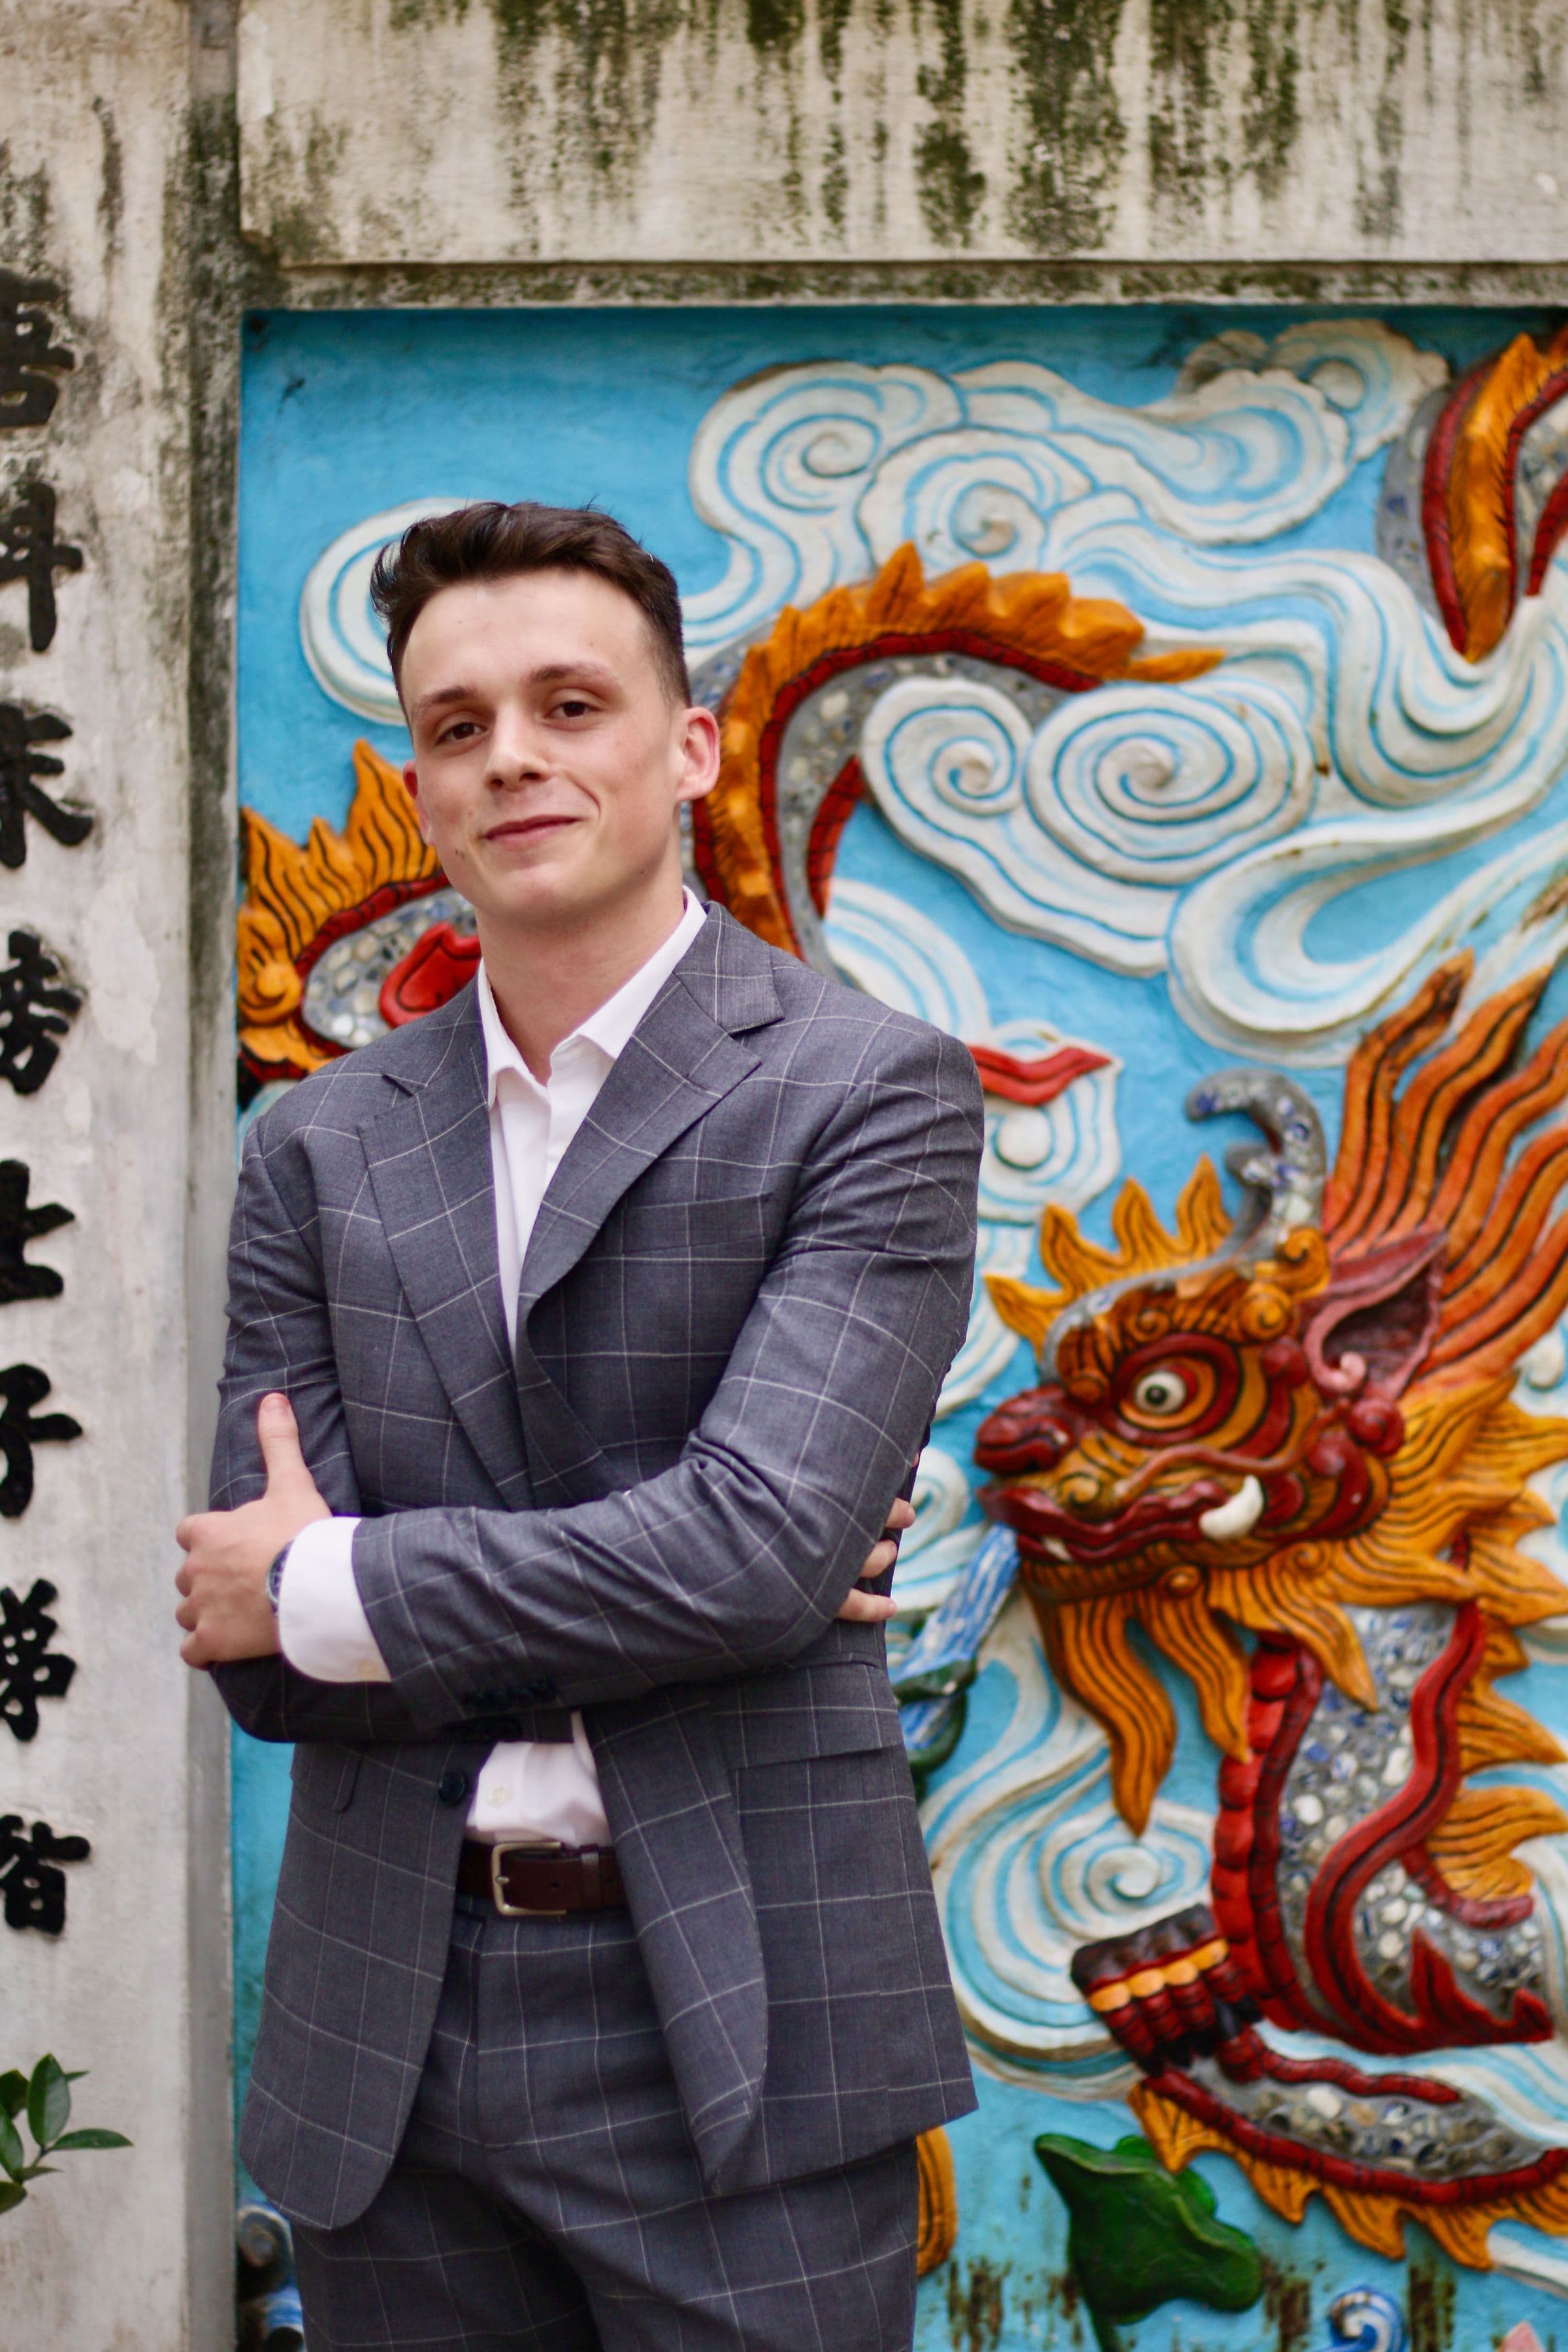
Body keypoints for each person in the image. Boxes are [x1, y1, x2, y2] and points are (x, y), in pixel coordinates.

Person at [175, 500, 983, 2351]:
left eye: (569, 705)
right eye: (458, 727)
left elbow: (753, 1554)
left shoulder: (866, 1094)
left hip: (739, 2017)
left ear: (685, 748)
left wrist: (338, 1583)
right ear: (420, 789)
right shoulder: (316, 1146)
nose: (512, 758)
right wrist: (660, 1570)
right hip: (389, 2025)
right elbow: (261, 1657)